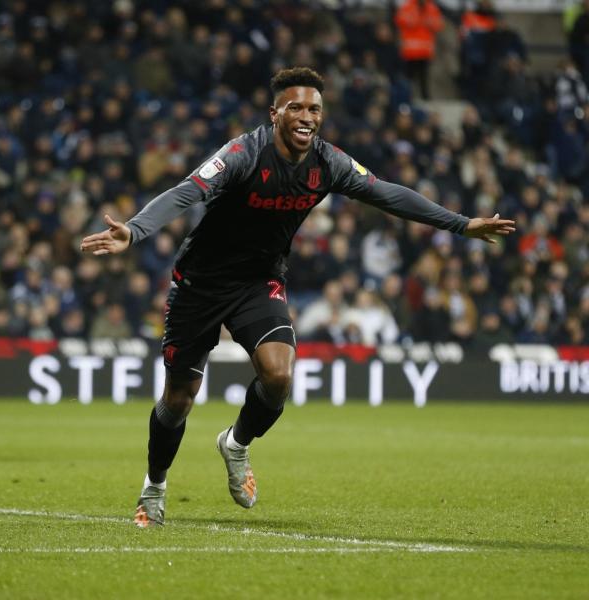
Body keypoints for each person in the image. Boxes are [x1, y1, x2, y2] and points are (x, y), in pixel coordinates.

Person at [80, 67, 515, 528]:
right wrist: (136, 230)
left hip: (258, 283)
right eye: (296, 108)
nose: (307, 117)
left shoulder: (328, 163)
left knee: (279, 375)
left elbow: (387, 194)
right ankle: (155, 486)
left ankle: (236, 444)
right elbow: (188, 191)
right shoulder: (243, 154)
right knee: (179, 400)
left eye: (315, 109)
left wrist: (461, 223)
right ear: (275, 114)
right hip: (200, 286)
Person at [395, 0, 444, 100]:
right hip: (410, 50)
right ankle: (407, 96)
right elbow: (400, 20)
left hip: (425, 50)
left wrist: (426, 20)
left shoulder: (432, 7)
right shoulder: (407, 6)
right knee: (409, 76)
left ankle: (425, 97)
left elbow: (438, 25)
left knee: (424, 76)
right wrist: (419, 18)